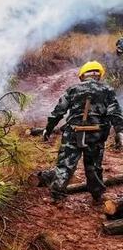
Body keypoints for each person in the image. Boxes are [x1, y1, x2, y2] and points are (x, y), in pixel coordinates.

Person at [43, 60, 123, 203]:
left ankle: (57, 197)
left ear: (82, 75)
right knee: (94, 166)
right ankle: (97, 196)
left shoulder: (72, 89)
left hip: (73, 133)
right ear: (99, 75)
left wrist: (48, 129)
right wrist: (119, 132)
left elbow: (58, 112)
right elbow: (115, 113)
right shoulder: (107, 90)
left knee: (65, 164)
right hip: (96, 135)